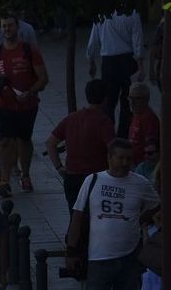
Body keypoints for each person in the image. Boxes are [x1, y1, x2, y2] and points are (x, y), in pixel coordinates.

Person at [67, 140, 159, 290]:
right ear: (109, 158)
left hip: (129, 257)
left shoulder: (140, 183)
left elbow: (156, 205)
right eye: (120, 158)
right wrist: (71, 250)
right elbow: (77, 216)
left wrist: (140, 219)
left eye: (128, 158)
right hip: (98, 257)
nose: (125, 163)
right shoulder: (92, 180)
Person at [0, 13, 49, 192]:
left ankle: (25, 174)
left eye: (10, 26)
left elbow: (43, 78)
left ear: (17, 27)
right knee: (5, 140)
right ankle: (4, 180)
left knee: (24, 139)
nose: (7, 29)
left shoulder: (29, 50)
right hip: (3, 104)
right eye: (4, 26)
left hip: (27, 104)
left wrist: (29, 92)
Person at [47, 79, 118, 207]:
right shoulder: (103, 122)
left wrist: (59, 167)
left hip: (72, 177)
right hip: (95, 178)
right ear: (105, 98)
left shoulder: (72, 118)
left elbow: (50, 143)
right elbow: (114, 150)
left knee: (75, 218)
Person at [86, 8, 145, 136]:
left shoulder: (102, 13)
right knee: (127, 102)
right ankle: (123, 136)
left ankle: (108, 135)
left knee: (108, 102)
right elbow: (137, 39)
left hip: (108, 62)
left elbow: (93, 39)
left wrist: (91, 61)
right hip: (128, 60)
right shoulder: (132, 12)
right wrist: (140, 65)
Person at [126, 82, 160, 165]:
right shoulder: (136, 115)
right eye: (130, 98)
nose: (132, 102)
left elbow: (151, 147)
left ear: (146, 99)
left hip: (141, 166)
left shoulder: (148, 119)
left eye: (137, 98)